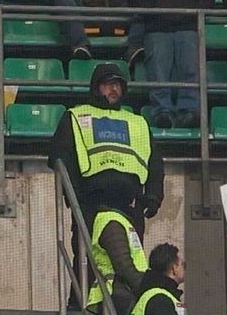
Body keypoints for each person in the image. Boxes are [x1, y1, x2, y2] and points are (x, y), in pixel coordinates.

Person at [49, 61, 165, 223]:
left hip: (131, 202)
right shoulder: (75, 116)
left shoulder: (138, 121)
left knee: (131, 249)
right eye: (108, 84)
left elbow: (155, 162)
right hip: (91, 200)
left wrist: (153, 196)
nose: (114, 89)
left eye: (117, 84)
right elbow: (61, 155)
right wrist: (73, 195)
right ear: (96, 87)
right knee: (94, 247)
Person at [129, 0, 214, 129]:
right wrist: (152, 13)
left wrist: (197, 12)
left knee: (190, 70)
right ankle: (162, 112)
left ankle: (190, 111)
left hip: (187, 26)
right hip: (156, 27)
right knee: (158, 72)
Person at [86, 198, 146, 315]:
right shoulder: (112, 221)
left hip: (123, 292)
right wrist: (146, 286)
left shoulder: (118, 220)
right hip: (120, 293)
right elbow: (123, 266)